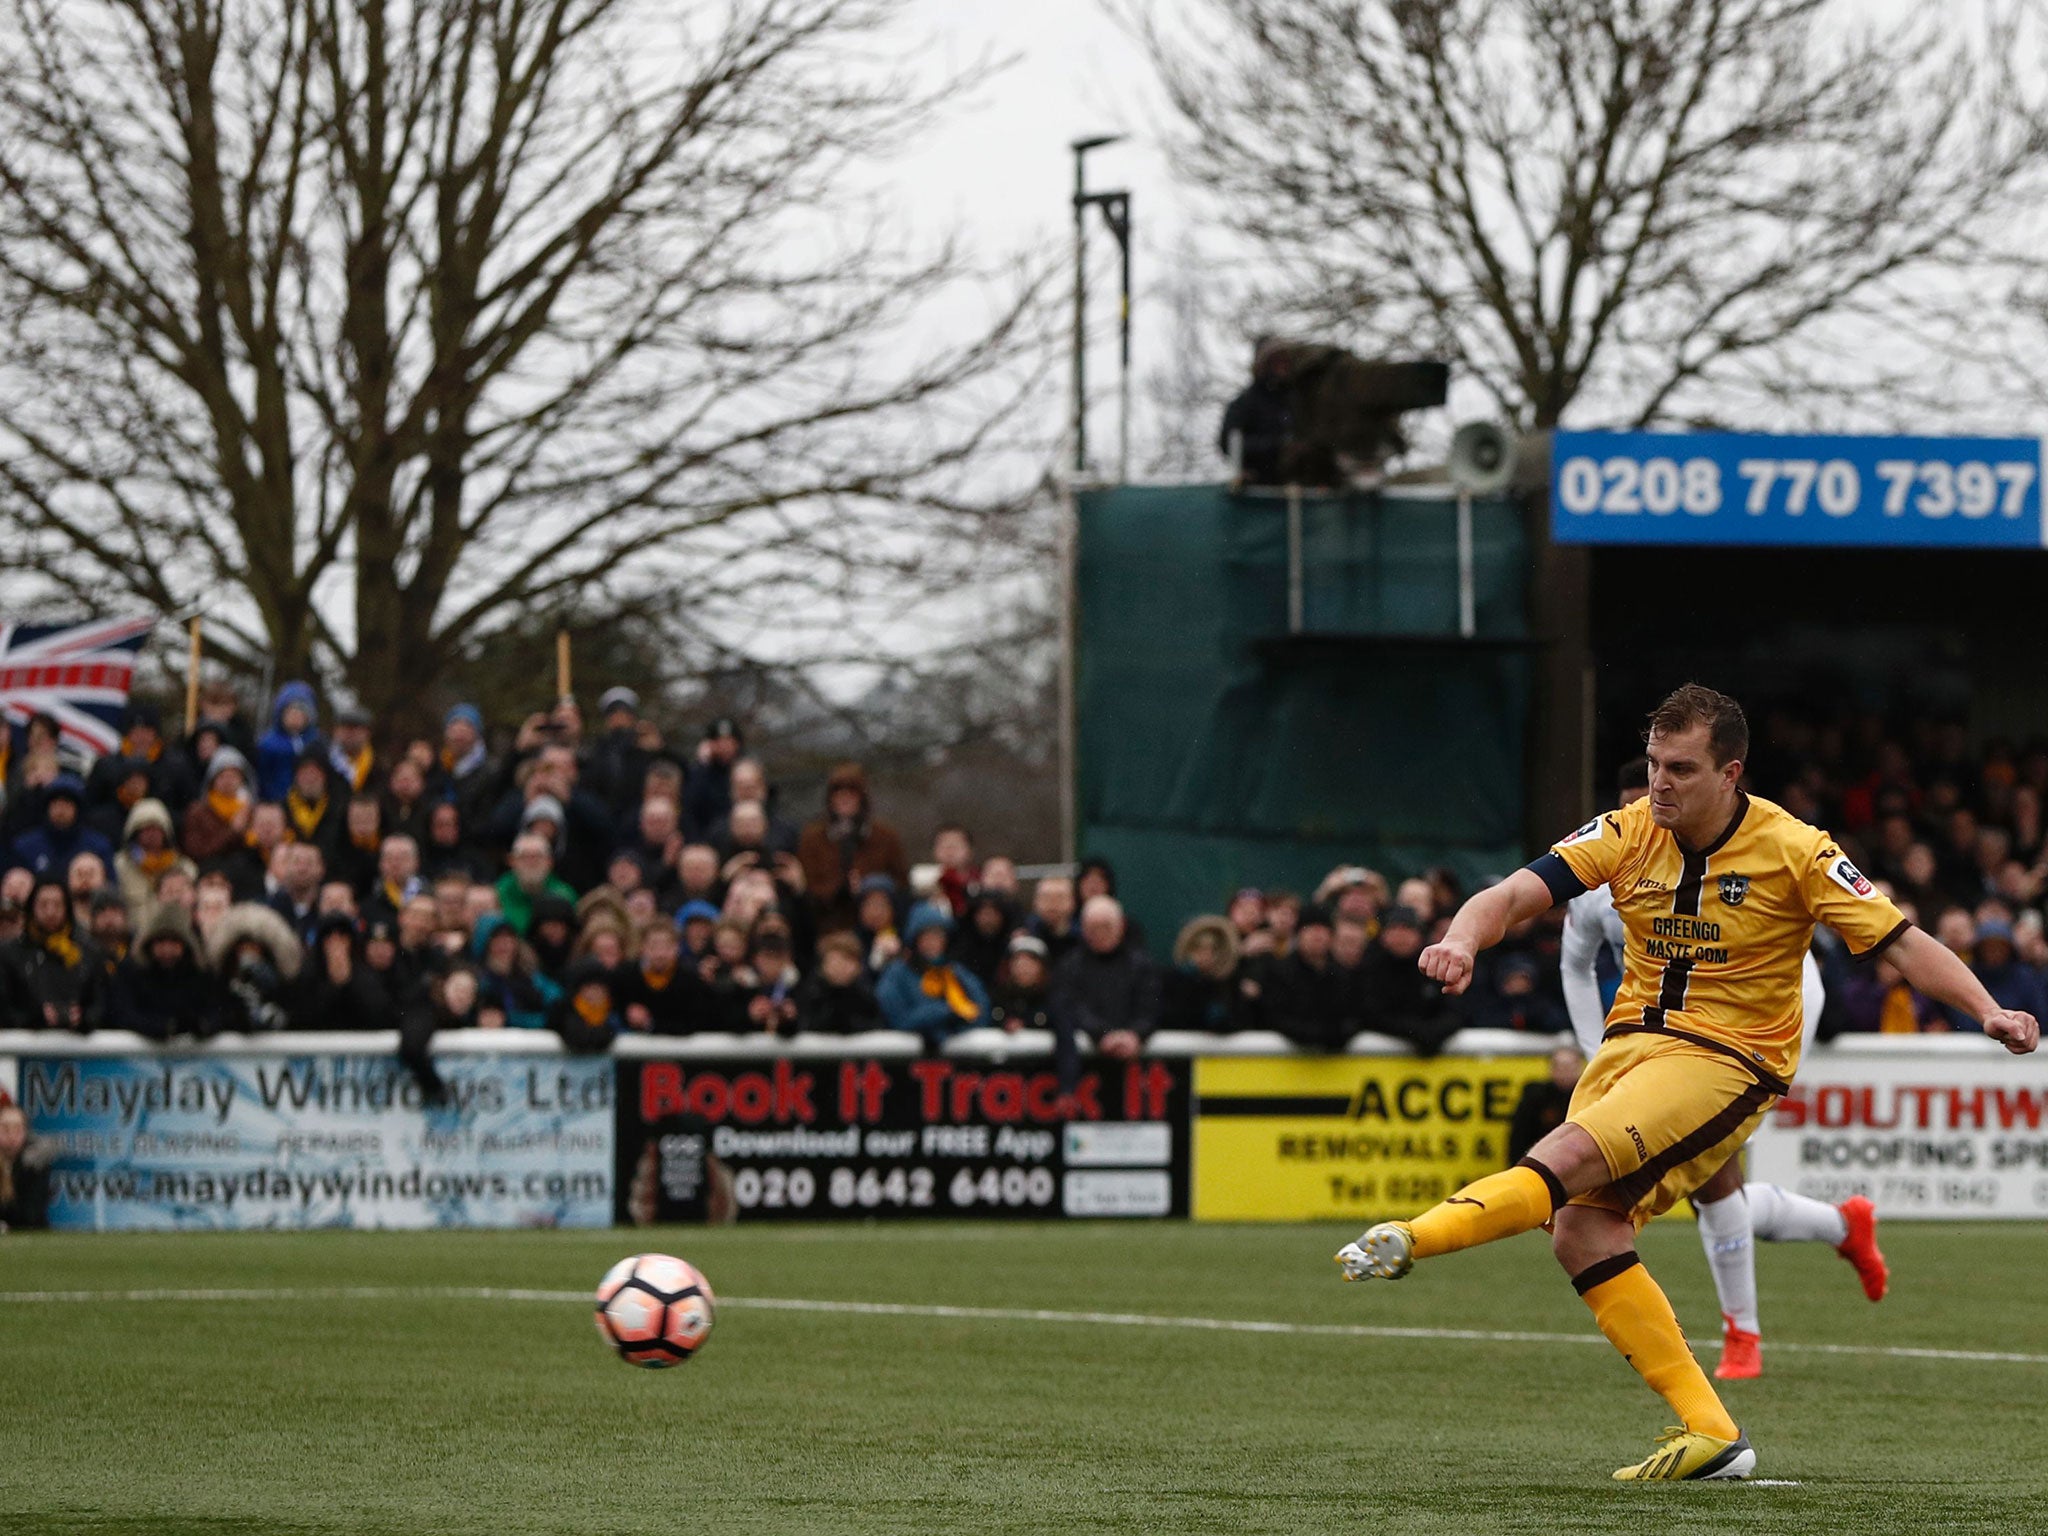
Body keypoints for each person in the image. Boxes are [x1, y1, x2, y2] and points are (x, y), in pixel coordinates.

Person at [1336, 685, 2040, 1483]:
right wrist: (1462, 939)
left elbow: (1903, 943)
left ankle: (1409, 1237)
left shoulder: (1798, 850)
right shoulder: (1630, 830)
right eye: (1651, 764)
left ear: (1729, 774)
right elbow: (1513, 895)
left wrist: (1987, 1009)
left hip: (1727, 1061)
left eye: (1678, 768)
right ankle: (1712, 1433)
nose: (1657, 784)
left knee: (1565, 1158)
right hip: (1629, 1051)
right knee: (1583, 1232)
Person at [1558, 753, 1877, 1382]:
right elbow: (1575, 965)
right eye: (1639, 801)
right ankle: (1842, 1223)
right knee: (1706, 1175)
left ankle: (1743, 1337)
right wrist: (1597, 1050)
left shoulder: (1742, 851)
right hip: (1668, 1023)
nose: (1652, 809)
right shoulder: (1603, 874)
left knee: (1709, 1167)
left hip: (1769, 1008)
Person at [1049, 896, 1160, 1084]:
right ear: (1083, 928)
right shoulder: (1068, 966)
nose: (1099, 933)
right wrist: (1103, 1034)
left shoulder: (1142, 965)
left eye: (1106, 926)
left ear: (1121, 926)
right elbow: (1071, 1007)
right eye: (1093, 927)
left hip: (1141, 1074)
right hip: (1086, 1074)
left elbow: (1151, 1007)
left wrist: (1135, 1035)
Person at [876, 904, 988, 1048]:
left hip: (955, 1057)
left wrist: (956, 1029)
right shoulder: (896, 973)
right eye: (927, 937)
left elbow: (981, 1010)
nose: (933, 943)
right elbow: (898, 1020)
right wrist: (947, 1011)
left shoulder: (956, 972)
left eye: (938, 936)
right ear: (915, 940)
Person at [1507, 1044, 1584, 1166]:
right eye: (1561, 1067)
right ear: (1551, 1069)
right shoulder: (1534, 1097)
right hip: (1539, 1164)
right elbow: (1519, 1139)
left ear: (1580, 1068)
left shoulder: (1587, 1097)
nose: (1565, 1072)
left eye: (1570, 1067)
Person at [0, 1103, 52, 1232]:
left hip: (32, 1235)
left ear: (26, 1131)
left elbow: (31, 1213)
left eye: (17, 1129)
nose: (11, 1135)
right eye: (5, 1129)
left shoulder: (36, 1163)